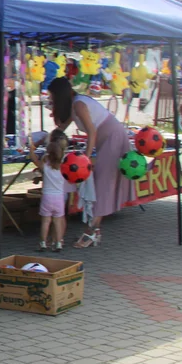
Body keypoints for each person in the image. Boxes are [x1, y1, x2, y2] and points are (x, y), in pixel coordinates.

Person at [47, 76, 133, 248]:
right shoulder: (74, 106)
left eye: (52, 97)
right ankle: (95, 230)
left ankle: (91, 231)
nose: (50, 100)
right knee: (101, 183)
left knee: (101, 184)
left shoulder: (79, 104)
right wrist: (45, 139)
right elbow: (61, 128)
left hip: (112, 139)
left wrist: (85, 159)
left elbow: (92, 132)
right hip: (106, 140)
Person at [29, 129, 70, 252]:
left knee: (45, 221)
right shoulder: (63, 167)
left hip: (47, 197)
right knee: (57, 221)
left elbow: (35, 159)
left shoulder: (45, 165)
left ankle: (42, 243)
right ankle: (58, 243)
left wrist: (31, 149)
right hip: (59, 198)